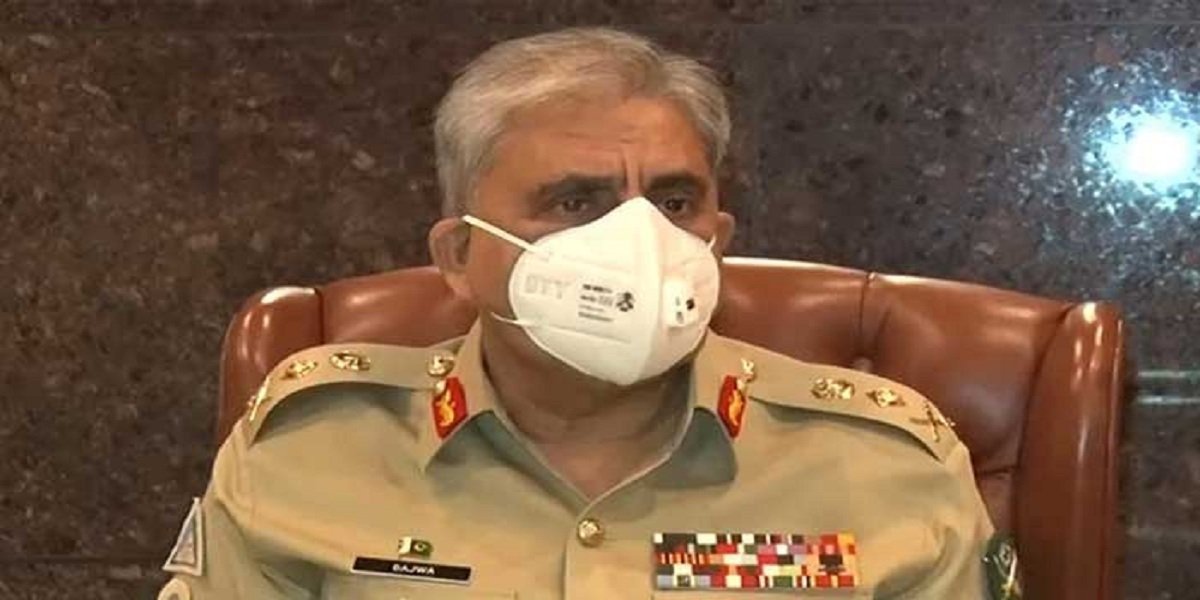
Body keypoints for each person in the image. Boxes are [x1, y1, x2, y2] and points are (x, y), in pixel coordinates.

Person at [157, 27, 1014, 600]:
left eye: (673, 201)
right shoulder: (310, 451)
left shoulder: (885, 466)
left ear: (717, 240)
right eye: (576, 203)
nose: (637, 239)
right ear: (461, 257)